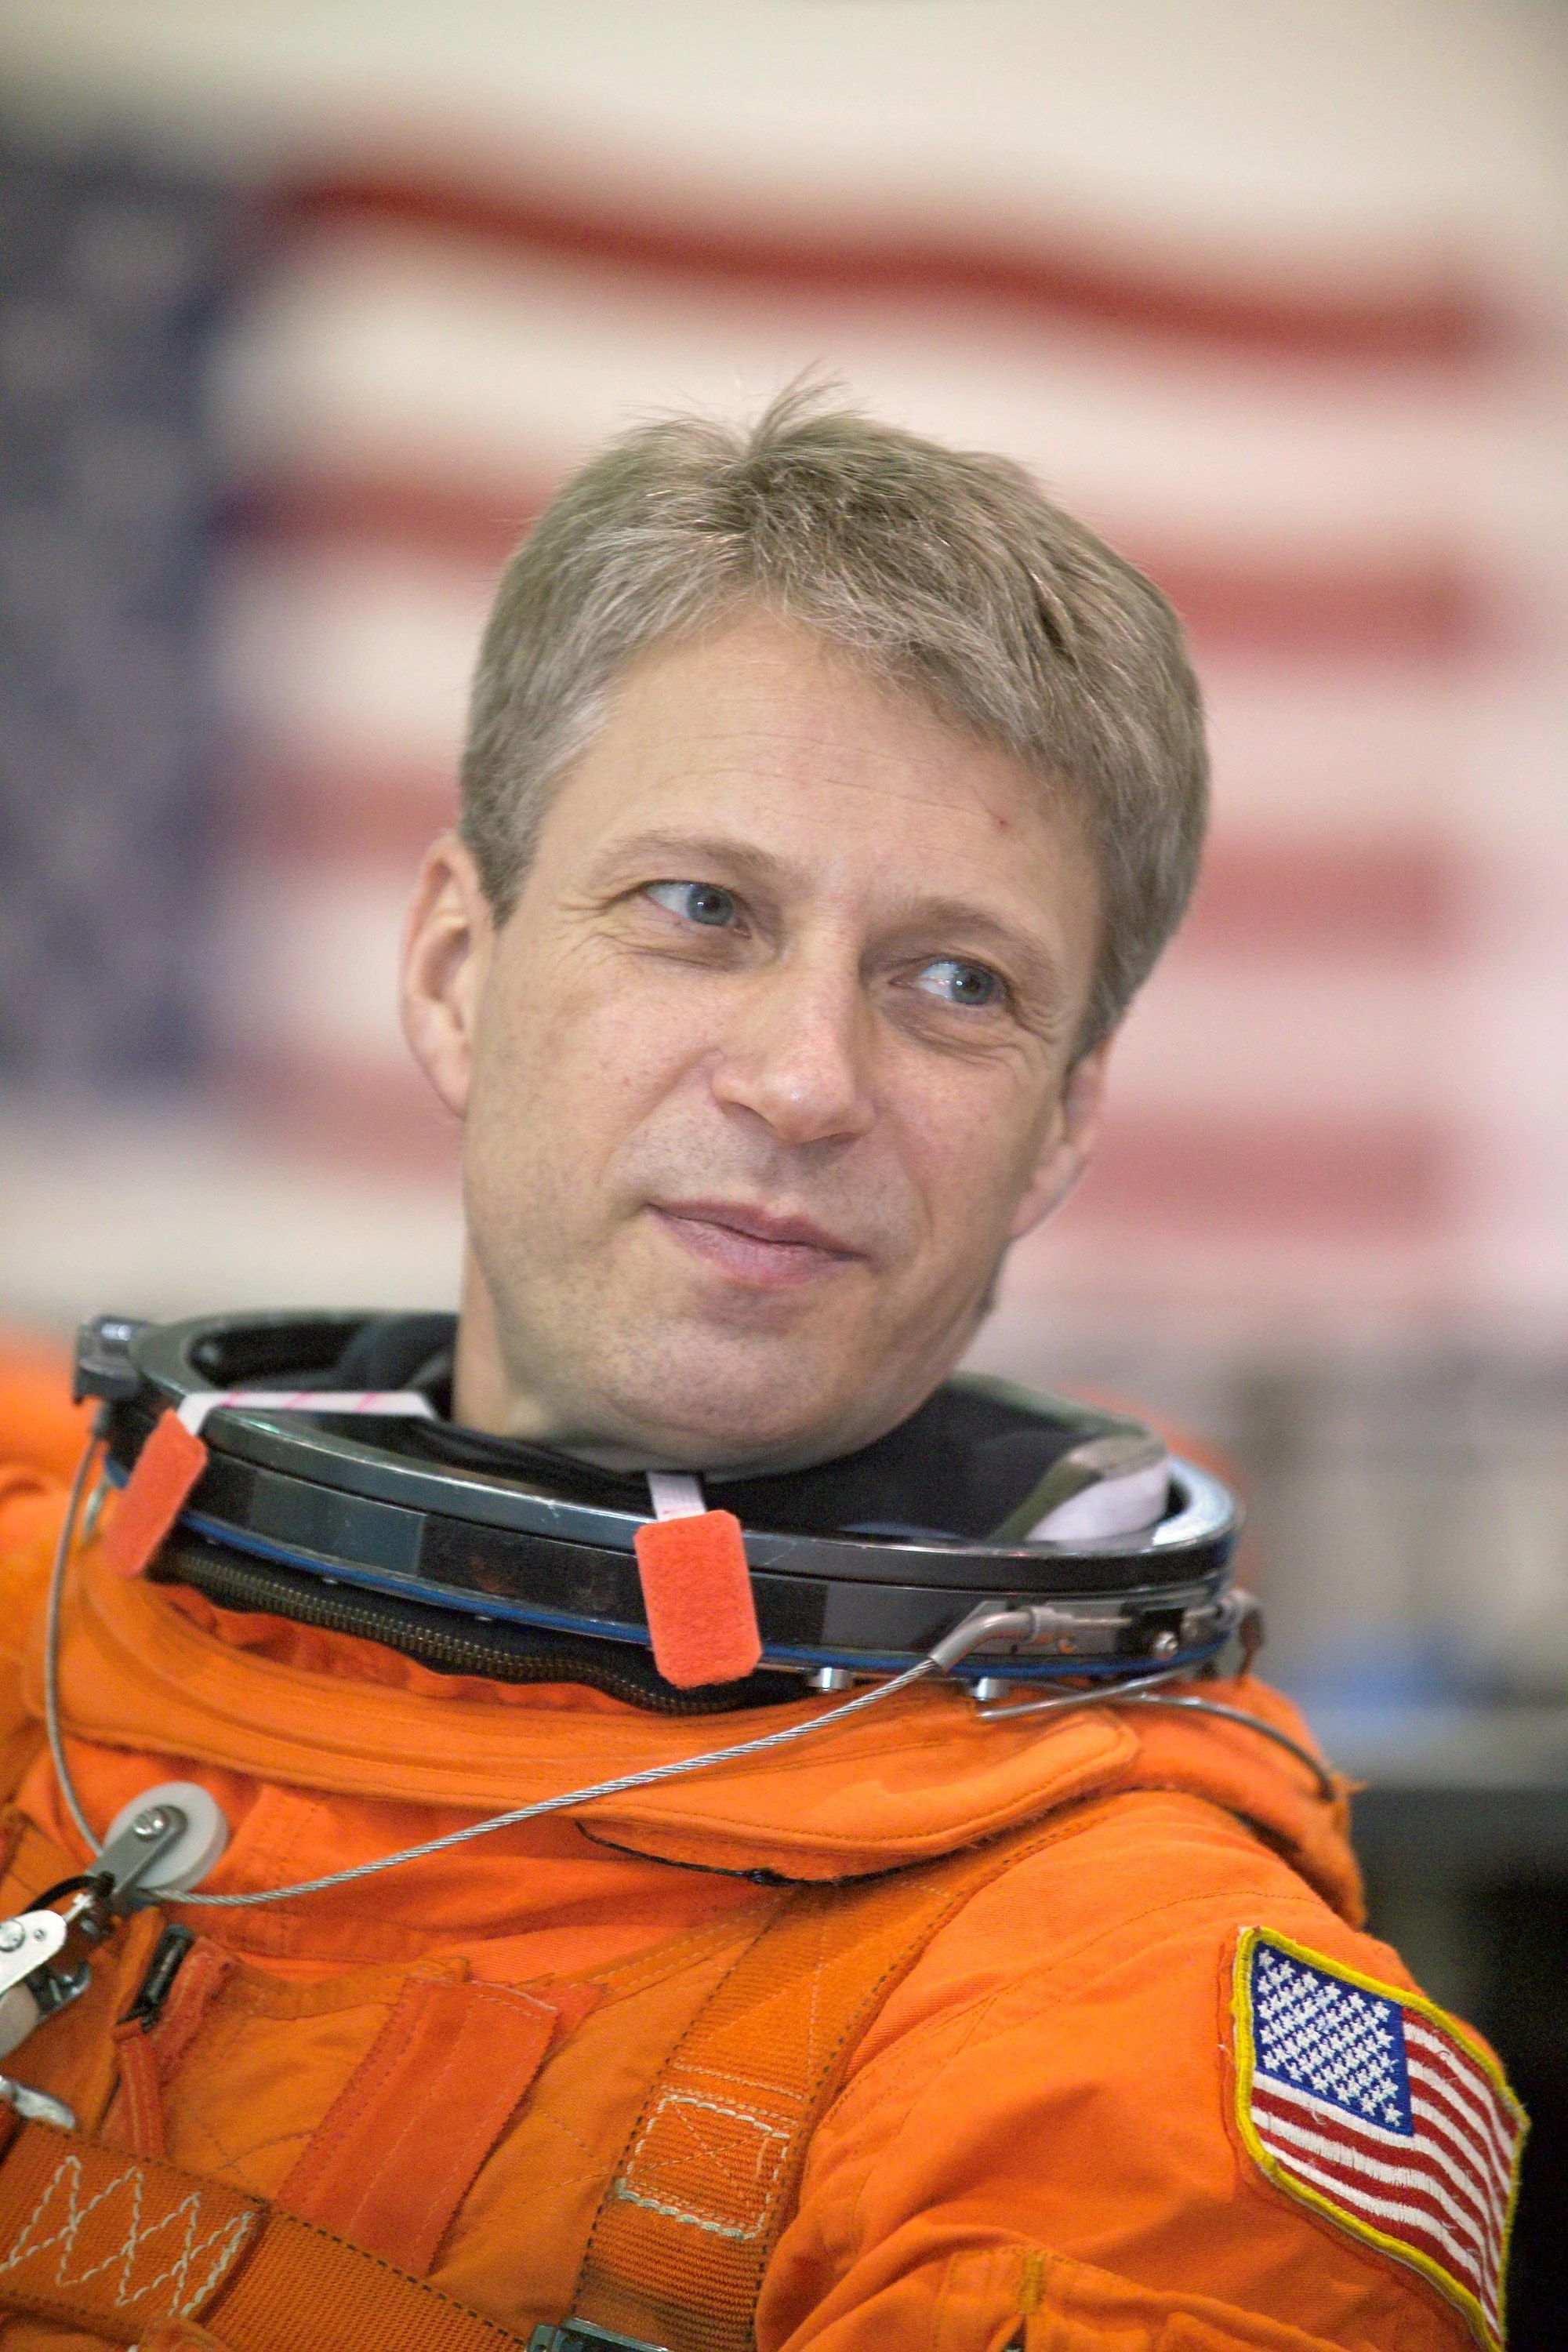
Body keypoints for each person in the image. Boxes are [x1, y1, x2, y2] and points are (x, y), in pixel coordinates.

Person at [0, 390, 1523, 2352]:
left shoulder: (1112, 1983)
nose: (806, 1083)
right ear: (456, 967)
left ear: (1058, 1131)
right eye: (701, 910)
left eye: (956, 982)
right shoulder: (45, 1605)